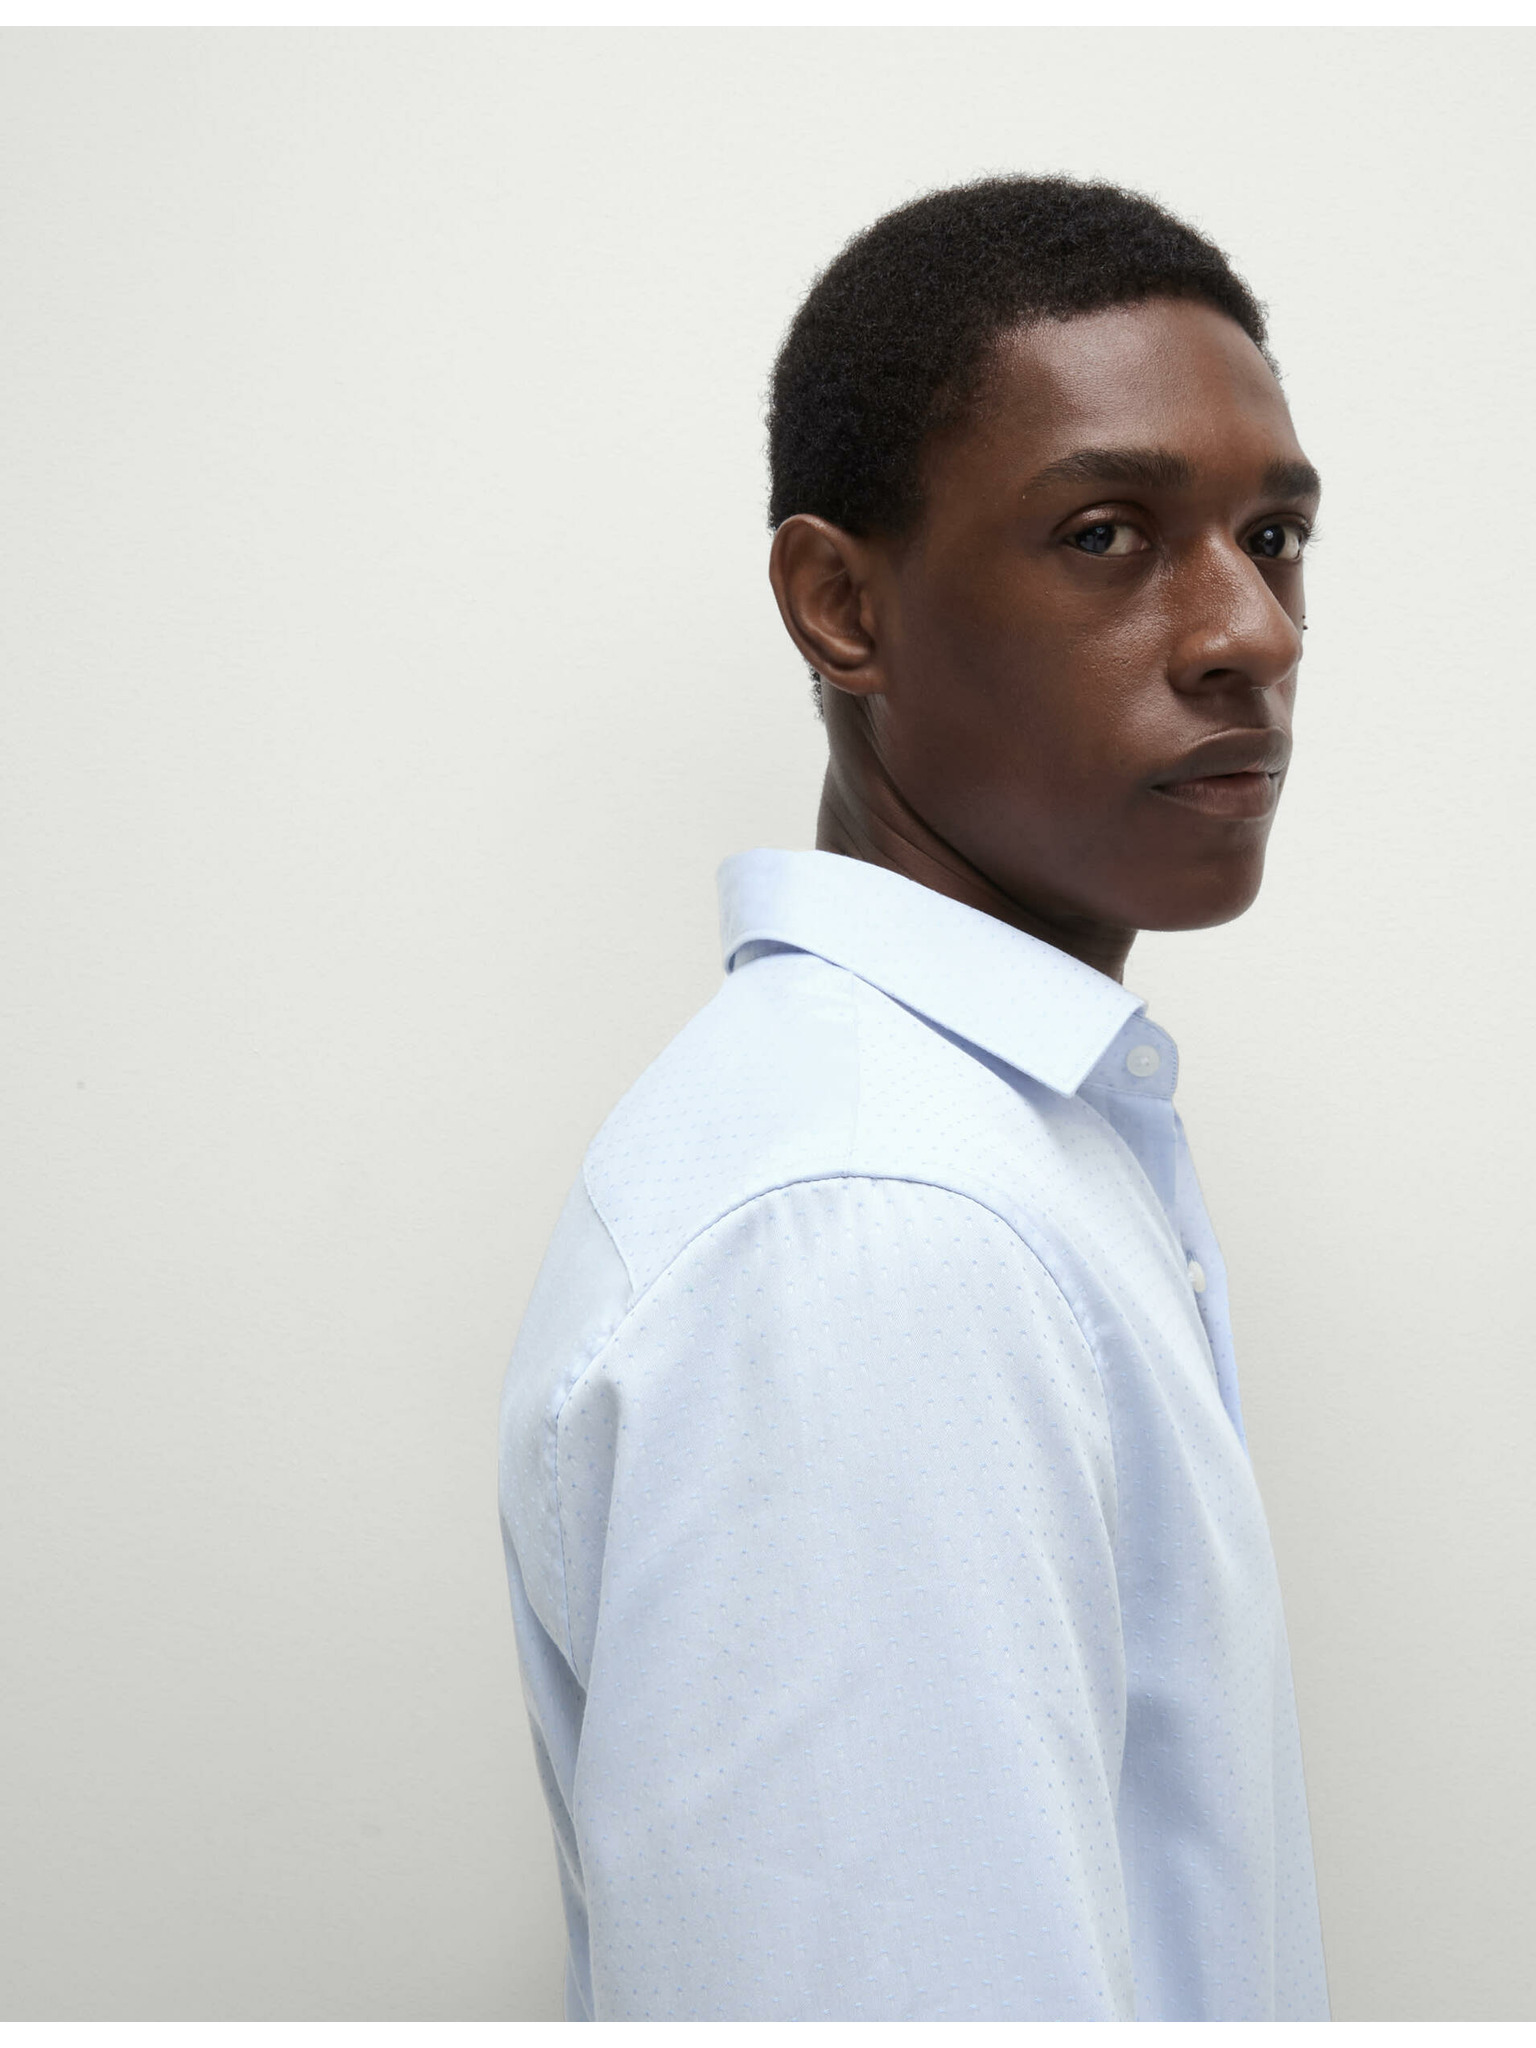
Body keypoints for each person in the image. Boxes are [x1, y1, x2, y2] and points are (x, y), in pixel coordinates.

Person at [498, 175, 1329, 2022]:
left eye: (1275, 536)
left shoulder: (983, 1147)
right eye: (1108, 534)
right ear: (840, 604)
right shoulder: (878, 1227)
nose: (1252, 631)